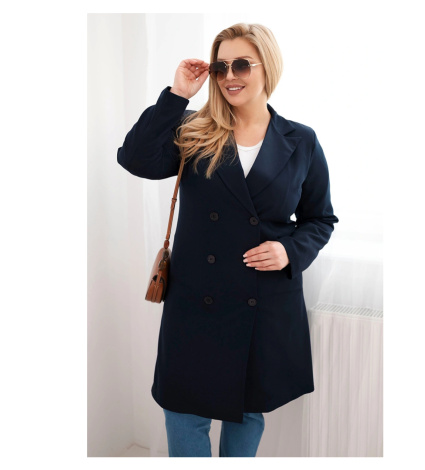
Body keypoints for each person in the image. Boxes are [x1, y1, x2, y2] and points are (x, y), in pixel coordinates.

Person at [117, 23, 339, 457]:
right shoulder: (195, 128)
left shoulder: (301, 140)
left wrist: (289, 250)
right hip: (195, 298)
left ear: (267, 67)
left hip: (262, 301)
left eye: (241, 65)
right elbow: (135, 158)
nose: (229, 76)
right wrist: (177, 95)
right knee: (183, 412)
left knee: (248, 410)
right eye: (220, 67)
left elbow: (320, 218)